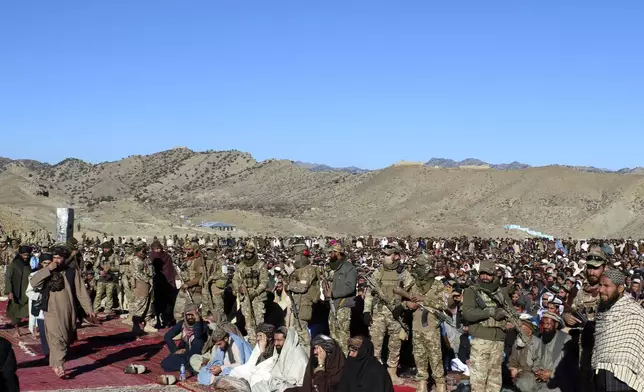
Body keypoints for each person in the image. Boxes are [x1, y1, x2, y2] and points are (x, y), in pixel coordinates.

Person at [30, 245, 95, 378]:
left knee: (65, 338)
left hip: (68, 310)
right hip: (51, 309)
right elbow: (34, 282)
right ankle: (59, 366)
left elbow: (81, 292)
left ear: (64, 259)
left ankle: (55, 363)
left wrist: (89, 309)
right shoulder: (47, 270)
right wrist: (48, 269)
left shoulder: (72, 272)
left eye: (59, 258)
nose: (56, 260)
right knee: (56, 337)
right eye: (54, 257)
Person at [363, 245, 411, 385]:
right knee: (375, 346)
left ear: (396, 256)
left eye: (387, 254)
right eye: (383, 254)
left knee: (395, 346)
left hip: (396, 316)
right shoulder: (378, 272)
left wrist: (402, 307)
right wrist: (367, 311)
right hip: (379, 314)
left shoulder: (404, 274)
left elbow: (411, 295)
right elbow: (369, 295)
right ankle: (374, 374)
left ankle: (392, 373)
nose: (383, 256)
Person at [462, 259, 511, 392]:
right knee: (478, 380)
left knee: (494, 382)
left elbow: (510, 312)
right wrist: (489, 312)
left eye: (488, 274)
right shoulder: (472, 291)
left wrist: (511, 321)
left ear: (494, 275)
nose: (485, 277)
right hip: (480, 339)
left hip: (498, 340)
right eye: (482, 273)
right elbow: (467, 313)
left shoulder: (501, 292)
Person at [592, 268, 644, 392]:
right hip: (599, 371)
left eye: (606, 286)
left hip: (621, 377)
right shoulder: (602, 310)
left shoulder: (633, 312)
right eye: (600, 285)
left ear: (620, 289)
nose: (601, 290)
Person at [252, 326, 309, 392]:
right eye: (275, 340)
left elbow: (300, 384)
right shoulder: (281, 352)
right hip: (277, 385)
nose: (275, 343)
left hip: (291, 389)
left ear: (287, 340)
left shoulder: (299, 357)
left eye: (279, 340)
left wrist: (280, 385)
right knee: (256, 386)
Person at [232, 243, 268, 344]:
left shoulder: (260, 265)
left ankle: (261, 341)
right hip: (245, 296)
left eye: (250, 252)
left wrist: (255, 292)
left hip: (257, 297)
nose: (248, 254)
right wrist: (239, 289)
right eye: (246, 252)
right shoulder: (240, 266)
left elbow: (264, 281)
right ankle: (252, 341)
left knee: (259, 319)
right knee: (248, 321)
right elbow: (235, 280)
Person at [285, 243, 318, 351]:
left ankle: (307, 352)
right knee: (297, 328)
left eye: (295, 254)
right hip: (297, 303)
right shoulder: (298, 270)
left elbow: (302, 287)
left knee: (301, 329)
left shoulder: (308, 269)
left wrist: (290, 286)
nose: (294, 257)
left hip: (304, 304)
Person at [326, 244, 357, 355]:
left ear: (337, 252)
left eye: (331, 252)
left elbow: (350, 287)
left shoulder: (349, 268)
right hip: (333, 305)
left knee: (343, 337)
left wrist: (333, 293)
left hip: (343, 307)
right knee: (333, 336)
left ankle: (344, 361)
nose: (329, 255)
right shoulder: (333, 268)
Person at [162, 303, 207, 373]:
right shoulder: (182, 324)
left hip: (197, 354)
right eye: (188, 315)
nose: (190, 317)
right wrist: (175, 351)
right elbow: (167, 336)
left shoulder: (202, 325)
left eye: (193, 315)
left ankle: (190, 364)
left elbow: (198, 335)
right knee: (165, 363)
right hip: (185, 352)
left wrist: (197, 319)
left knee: (198, 340)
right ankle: (189, 365)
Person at [26, 253, 50, 357]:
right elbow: (29, 292)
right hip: (41, 308)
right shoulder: (34, 275)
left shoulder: (58, 275)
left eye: (49, 263)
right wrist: (40, 297)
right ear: (40, 263)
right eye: (45, 263)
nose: (47, 265)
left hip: (55, 308)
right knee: (44, 334)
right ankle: (47, 354)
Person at [5, 245, 33, 335]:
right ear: (20, 254)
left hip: (28, 290)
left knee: (30, 310)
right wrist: (9, 291)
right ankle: (17, 330)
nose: (26, 257)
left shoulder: (30, 263)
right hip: (17, 291)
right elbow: (8, 278)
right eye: (24, 255)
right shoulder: (14, 264)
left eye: (28, 255)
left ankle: (33, 329)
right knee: (17, 311)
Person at [149, 240, 177, 328]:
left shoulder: (167, 257)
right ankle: (157, 320)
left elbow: (170, 269)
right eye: (155, 249)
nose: (157, 251)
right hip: (157, 282)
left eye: (158, 248)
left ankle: (168, 320)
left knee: (169, 302)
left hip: (168, 282)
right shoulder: (151, 257)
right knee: (158, 302)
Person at [93, 241, 119, 316]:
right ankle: (96, 309)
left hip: (111, 278)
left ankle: (108, 310)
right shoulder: (100, 256)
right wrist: (99, 271)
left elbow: (118, 267)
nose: (105, 250)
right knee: (98, 294)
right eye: (104, 248)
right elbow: (95, 267)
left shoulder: (114, 256)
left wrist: (110, 268)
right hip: (101, 278)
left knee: (109, 295)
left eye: (107, 248)